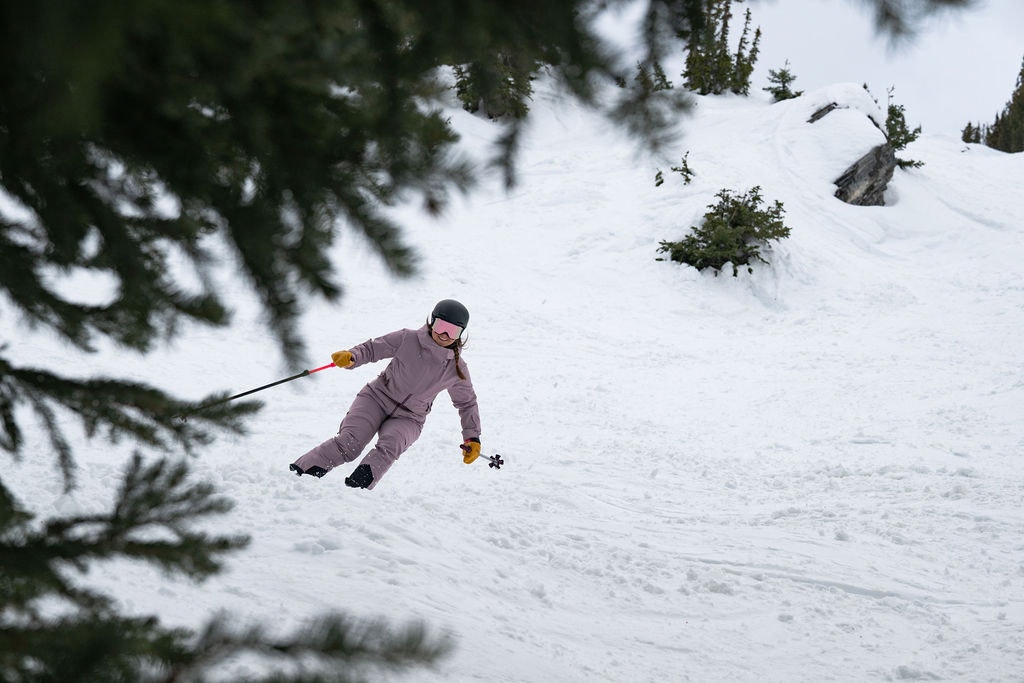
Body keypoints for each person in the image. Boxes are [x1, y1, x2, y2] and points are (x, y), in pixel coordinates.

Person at [289, 299, 482, 490]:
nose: (445, 335)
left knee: (391, 445)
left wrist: (472, 438)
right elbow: (373, 349)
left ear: (460, 334)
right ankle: (299, 474)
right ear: (432, 322)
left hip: (410, 418)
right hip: (376, 399)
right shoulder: (408, 338)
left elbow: (467, 403)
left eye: (453, 331)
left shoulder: (457, 369)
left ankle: (355, 492)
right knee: (350, 443)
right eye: (441, 327)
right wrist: (352, 357)